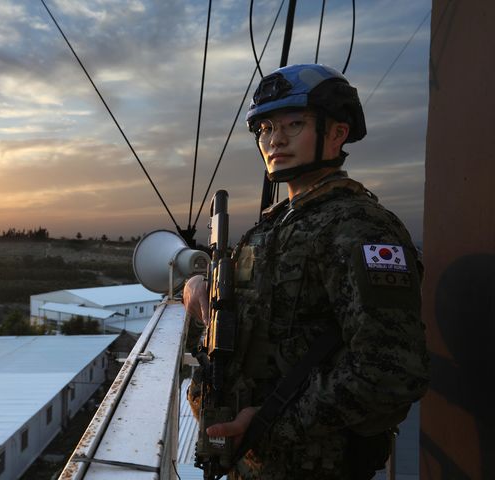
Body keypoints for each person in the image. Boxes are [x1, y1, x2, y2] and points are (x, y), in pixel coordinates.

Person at [183, 63, 429, 479]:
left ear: (337, 133)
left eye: (294, 124)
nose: (275, 139)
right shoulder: (276, 225)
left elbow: (389, 372)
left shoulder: (359, 228)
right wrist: (205, 300)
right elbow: (274, 323)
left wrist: (267, 425)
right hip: (254, 461)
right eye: (265, 128)